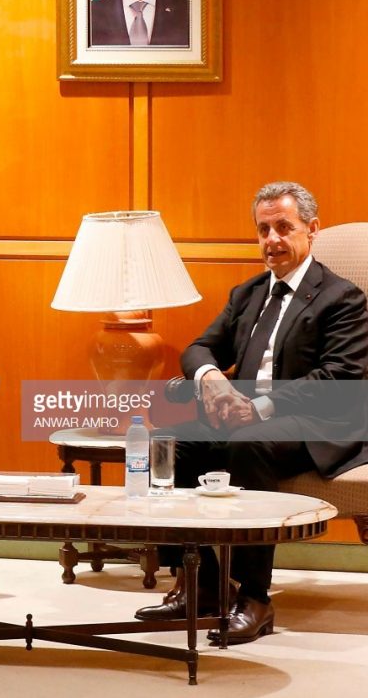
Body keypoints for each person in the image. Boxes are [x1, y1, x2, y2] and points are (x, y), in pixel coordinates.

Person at [135, 181, 368, 644]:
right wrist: (211, 380)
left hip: (319, 421)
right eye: (263, 230)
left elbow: (337, 378)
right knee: (168, 447)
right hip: (244, 414)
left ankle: (255, 597)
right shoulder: (248, 293)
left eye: (284, 227)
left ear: (312, 230)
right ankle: (198, 584)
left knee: (248, 443)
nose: (272, 240)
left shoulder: (343, 298)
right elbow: (201, 347)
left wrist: (259, 406)